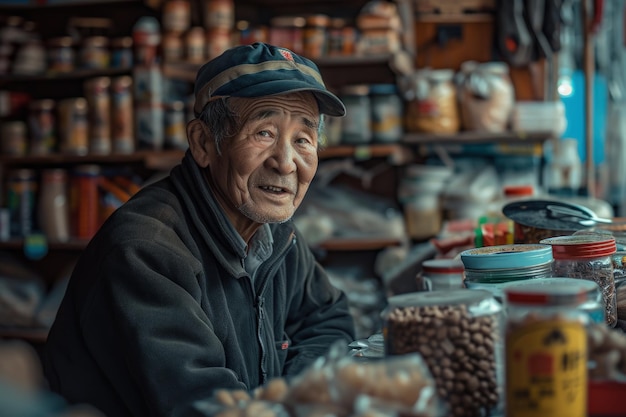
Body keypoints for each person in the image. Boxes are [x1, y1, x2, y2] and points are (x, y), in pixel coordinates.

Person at [43, 42, 356, 417]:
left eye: (303, 140)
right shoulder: (147, 249)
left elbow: (329, 318)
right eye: (264, 133)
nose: (286, 163)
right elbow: (204, 404)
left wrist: (294, 393)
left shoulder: (273, 234)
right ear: (203, 143)